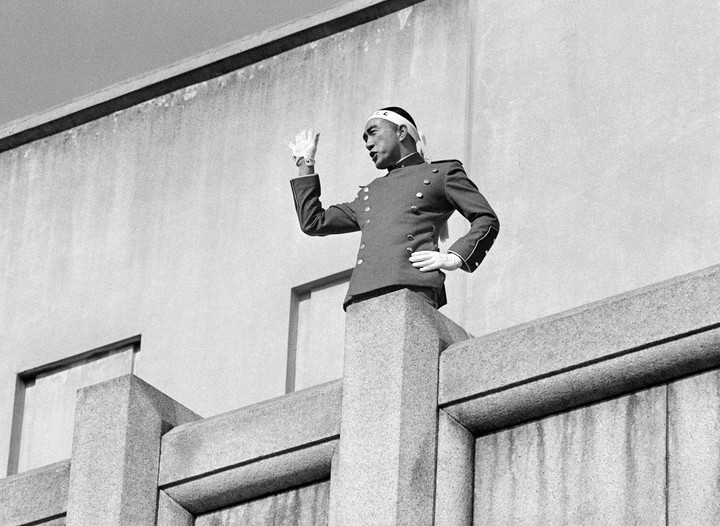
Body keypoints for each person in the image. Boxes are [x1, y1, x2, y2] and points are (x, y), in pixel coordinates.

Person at [288, 106, 499, 310]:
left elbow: (486, 218)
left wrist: (455, 257)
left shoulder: (442, 173)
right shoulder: (370, 193)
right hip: (362, 294)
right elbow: (314, 221)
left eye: (373, 133)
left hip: (413, 285)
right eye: (365, 138)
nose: (368, 144)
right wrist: (305, 164)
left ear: (401, 132)